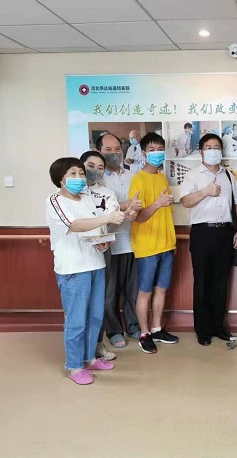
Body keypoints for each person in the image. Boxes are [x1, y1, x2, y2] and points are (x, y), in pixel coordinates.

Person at [45, 157, 125, 385]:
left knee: (95, 316)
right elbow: (74, 225)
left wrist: (103, 242)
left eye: (81, 173)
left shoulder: (87, 198)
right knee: (77, 319)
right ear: (60, 178)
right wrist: (108, 217)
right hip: (73, 268)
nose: (79, 178)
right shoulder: (55, 200)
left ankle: (89, 358)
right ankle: (74, 366)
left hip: (96, 264)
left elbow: (95, 228)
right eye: (73, 174)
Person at [181, 133, 237, 346]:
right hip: (202, 233)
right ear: (201, 152)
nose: (213, 151)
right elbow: (186, 202)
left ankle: (218, 326)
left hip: (225, 232)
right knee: (202, 281)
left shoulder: (228, 175)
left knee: (221, 281)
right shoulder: (193, 175)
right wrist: (206, 192)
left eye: (216, 147)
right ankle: (203, 330)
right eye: (208, 147)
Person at [130, 132, 179, 354]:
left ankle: (157, 329)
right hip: (147, 246)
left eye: (160, 150)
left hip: (167, 244)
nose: (157, 153)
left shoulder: (161, 177)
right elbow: (138, 217)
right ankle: (144, 333)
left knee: (161, 290)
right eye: (152, 150)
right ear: (143, 153)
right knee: (145, 292)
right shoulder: (138, 180)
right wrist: (158, 203)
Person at [97, 134, 142, 348]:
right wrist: (125, 205)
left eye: (117, 149)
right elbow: (100, 209)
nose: (114, 153)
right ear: (99, 152)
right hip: (109, 244)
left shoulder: (133, 175)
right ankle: (114, 331)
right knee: (110, 293)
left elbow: (140, 204)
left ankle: (133, 326)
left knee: (133, 291)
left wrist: (135, 208)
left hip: (133, 242)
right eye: (108, 150)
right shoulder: (97, 180)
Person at [81, 151, 121, 362]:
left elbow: (111, 220)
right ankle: (80, 350)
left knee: (100, 301)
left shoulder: (107, 194)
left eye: (100, 168)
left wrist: (105, 239)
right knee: (81, 304)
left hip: (101, 253)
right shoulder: (70, 194)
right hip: (77, 256)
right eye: (90, 166)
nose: (95, 171)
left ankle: (97, 344)